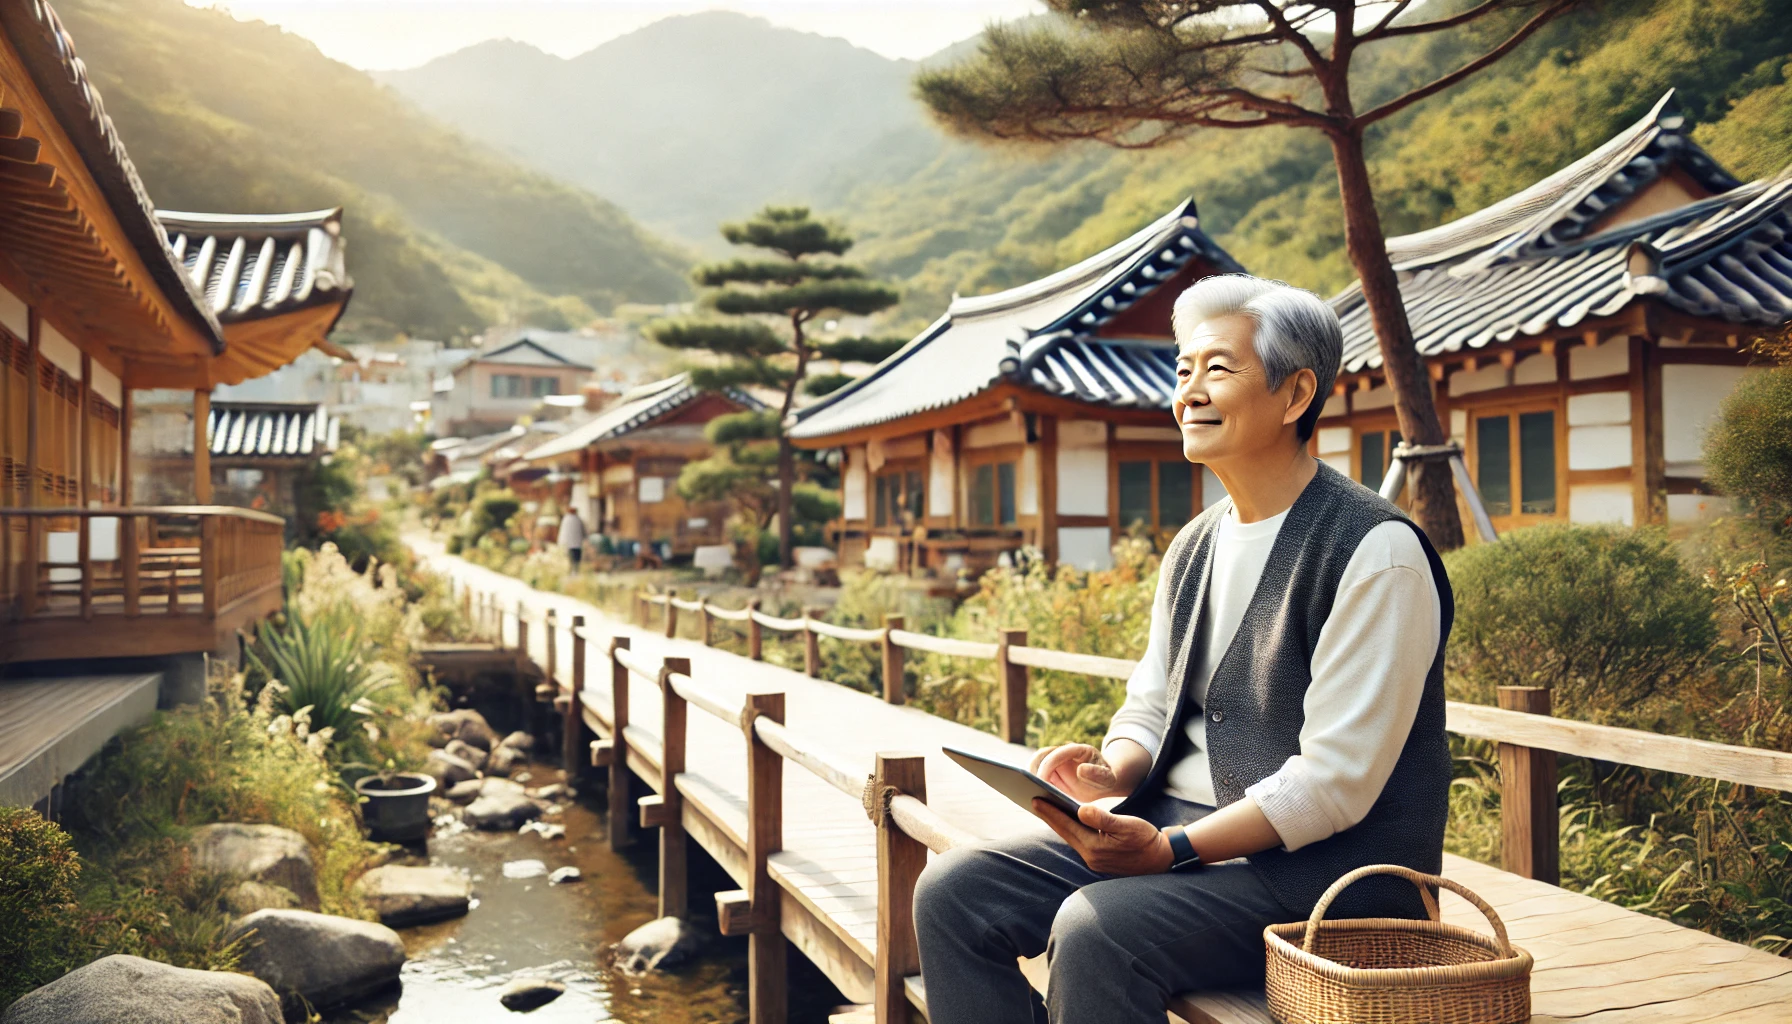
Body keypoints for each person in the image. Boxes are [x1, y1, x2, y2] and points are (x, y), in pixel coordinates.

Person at [912, 275, 1454, 1024]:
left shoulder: (1376, 551)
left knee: (1098, 929)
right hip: (1181, 833)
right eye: (1183, 372)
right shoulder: (1196, 542)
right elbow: (1154, 699)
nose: (1189, 393)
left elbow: (1335, 783)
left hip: (1324, 881)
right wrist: (1114, 769)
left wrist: (1170, 849)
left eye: (1218, 370)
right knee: (955, 895)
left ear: (1296, 396)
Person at [557, 505, 586, 572]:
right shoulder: (579, 520)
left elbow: (562, 533)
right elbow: (584, 532)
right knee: (576, 562)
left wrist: (560, 544)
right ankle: (574, 573)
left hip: (568, 545)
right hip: (577, 545)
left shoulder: (565, 520)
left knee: (569, 562)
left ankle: (571, 573)